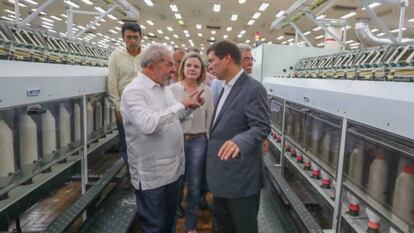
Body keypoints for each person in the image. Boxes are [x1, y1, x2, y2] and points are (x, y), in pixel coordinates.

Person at [121, 44, 204, 233]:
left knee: (169, 222)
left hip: (173, 172)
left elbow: (173, 118)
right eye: (169, 65)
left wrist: (188, 107)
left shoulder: (163, 88)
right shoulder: (134, 91)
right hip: (153, 176)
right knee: (155, 226)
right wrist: (180, 105)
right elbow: (147, 125)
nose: (174, 69)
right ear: (151, 67)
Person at [206, 40, 271, 233]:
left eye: (212, 60)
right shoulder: (224, 86)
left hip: (241, 180)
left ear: (227, 59)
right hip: (222, 177)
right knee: (224, 226)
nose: (209, 66)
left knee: (243, 227)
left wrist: (239, 141)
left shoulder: (253, 88)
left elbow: (261, 126)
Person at [168, 52, 214, 233]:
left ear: (202, 70)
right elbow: (169, 118)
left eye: (196, 66)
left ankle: (191, 226)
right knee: (175, 182)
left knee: (194, 185)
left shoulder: (208, 91)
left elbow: (210, 120)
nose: (192, 69)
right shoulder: (172, 90)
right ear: (182, 68)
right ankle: (173, 219)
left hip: (198, 142)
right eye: (189, 65)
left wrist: (210, 144)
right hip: (176, 141)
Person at [107, 22, 142, 186]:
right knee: (126, 143)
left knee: (144, 141)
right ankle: (132, 175)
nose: (133, 41)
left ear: (140, 37)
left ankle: (143, 175)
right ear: (123, 38)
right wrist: (116, 107)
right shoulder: (116, 56)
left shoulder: (147, 56)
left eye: (136, 37)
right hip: (124, 107)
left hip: (144, 106)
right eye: (129, 37)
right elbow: (112, 82)